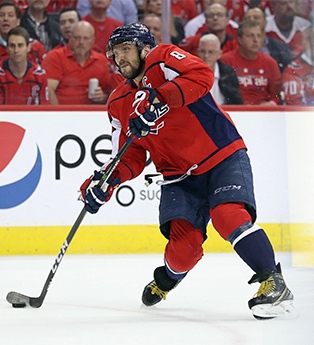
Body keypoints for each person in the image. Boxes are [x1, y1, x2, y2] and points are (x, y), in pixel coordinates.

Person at [79, 23, 293, 319]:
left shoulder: (163, 59)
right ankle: (167, 278)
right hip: (179, 178)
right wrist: (106, 180)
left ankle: (274, 282)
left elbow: (202, 75)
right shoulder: (118, 103)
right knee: (184, 250)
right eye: (115, 53)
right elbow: (130, 155)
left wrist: (160, 99)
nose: (120, 58)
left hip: (221, 156)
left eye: (126, 49)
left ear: (144, 49)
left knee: (227, 215)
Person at [41, 20, 116, 104]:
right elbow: (48, 91)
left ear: (93, 40)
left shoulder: (101, 60)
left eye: (86, 38)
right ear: (70, 38)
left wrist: (101, 97)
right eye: (77, 38)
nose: (81, 42)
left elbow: (108, 93)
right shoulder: (55, 56)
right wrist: (57, 114)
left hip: (91, 114)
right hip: (61, 112)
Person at [220, 19, 282, 105]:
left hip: (264, 112)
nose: (255, 40)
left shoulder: (271, 63)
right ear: (240, 39)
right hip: (236, 110)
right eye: (250, 36)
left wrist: (271, 104)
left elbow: (277, 95)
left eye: (259, 36)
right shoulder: (226, 60)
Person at [0, 26, 48, 104]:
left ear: (28, 48)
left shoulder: (39, 75)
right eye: (12, 46)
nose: (16, 50)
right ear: (7, 49)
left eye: (20, 45)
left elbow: (44, 110)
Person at [243, 6, 294, 72]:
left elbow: (289, 72)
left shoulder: (280, 47)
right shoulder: (235, 46)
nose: (251, 21)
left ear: (265, 22)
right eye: (247, 18)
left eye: (256, 17)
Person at [197, 33, 243, 104]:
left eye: (211, 52)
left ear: (219, 54)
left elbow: (236, 100)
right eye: (203, 51)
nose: (206, 56)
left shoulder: (228, 73)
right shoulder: (189, 73)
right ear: (198, 52)